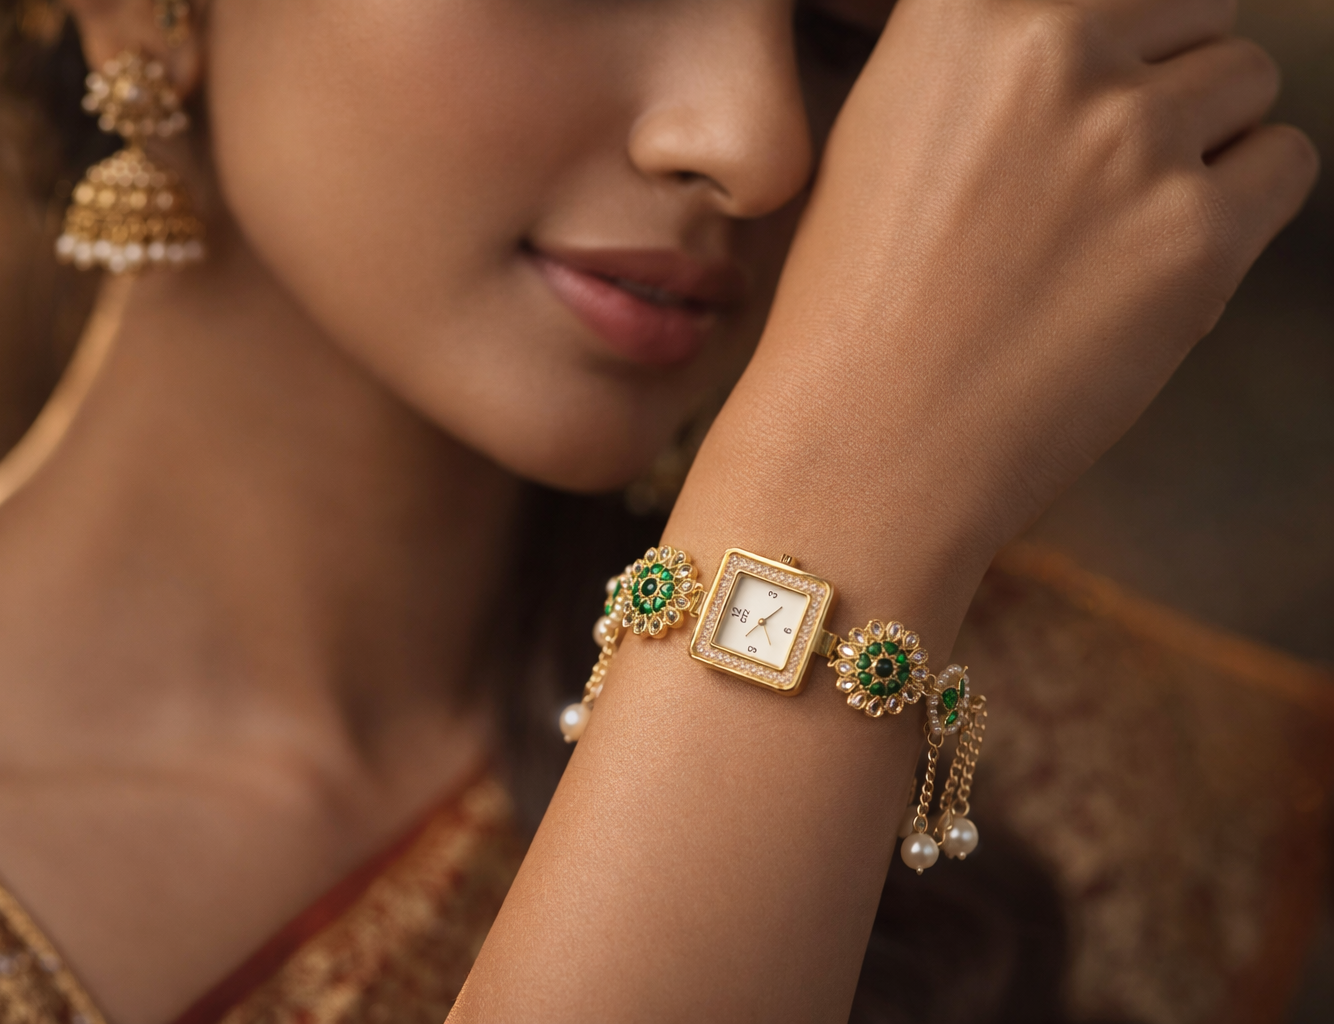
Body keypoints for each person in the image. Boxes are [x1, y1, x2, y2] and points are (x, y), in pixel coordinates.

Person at [0, 0, 1318, 1021]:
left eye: (842, 30)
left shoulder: (1107, 774)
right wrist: (823, 520)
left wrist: (833, 512)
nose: (754, 144)